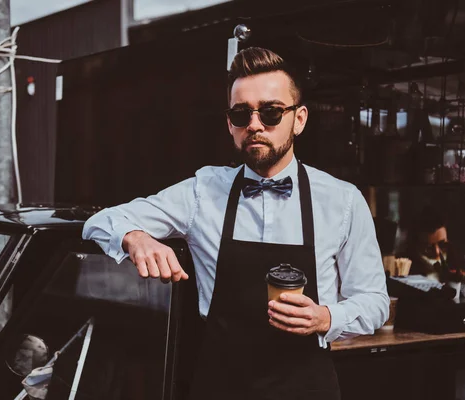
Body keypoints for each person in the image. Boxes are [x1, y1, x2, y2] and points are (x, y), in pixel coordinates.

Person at [83, 47, 389, 399]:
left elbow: (374, 301)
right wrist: (135, 237)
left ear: (299, 119)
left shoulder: (342, 200)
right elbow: (101, 221)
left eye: (272, 112)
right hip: (220, 388)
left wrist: (326, 318)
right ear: (230, 124)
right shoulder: (202, 191)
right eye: (242, 114)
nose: (255, 125)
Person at [407, 206, 465, 299]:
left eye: (442, 244)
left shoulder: (457, 261)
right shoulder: (407, 268)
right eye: (428, 248)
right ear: (416, 245)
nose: (437, 252)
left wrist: (457, 282)